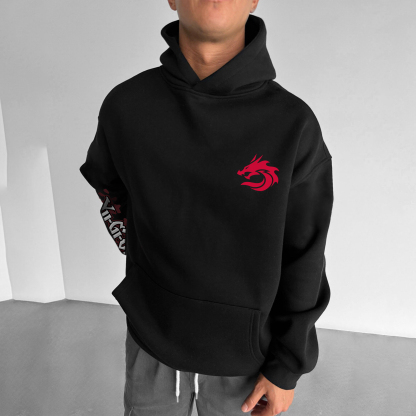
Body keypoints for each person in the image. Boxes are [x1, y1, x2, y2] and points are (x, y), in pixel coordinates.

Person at [79, 0, 334, 415]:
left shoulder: (293, 125)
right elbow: (110, 189)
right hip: (152, 338)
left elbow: (305, 253)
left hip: (249, 358)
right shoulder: (127, 106)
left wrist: (287, 364)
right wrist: (147, 261)